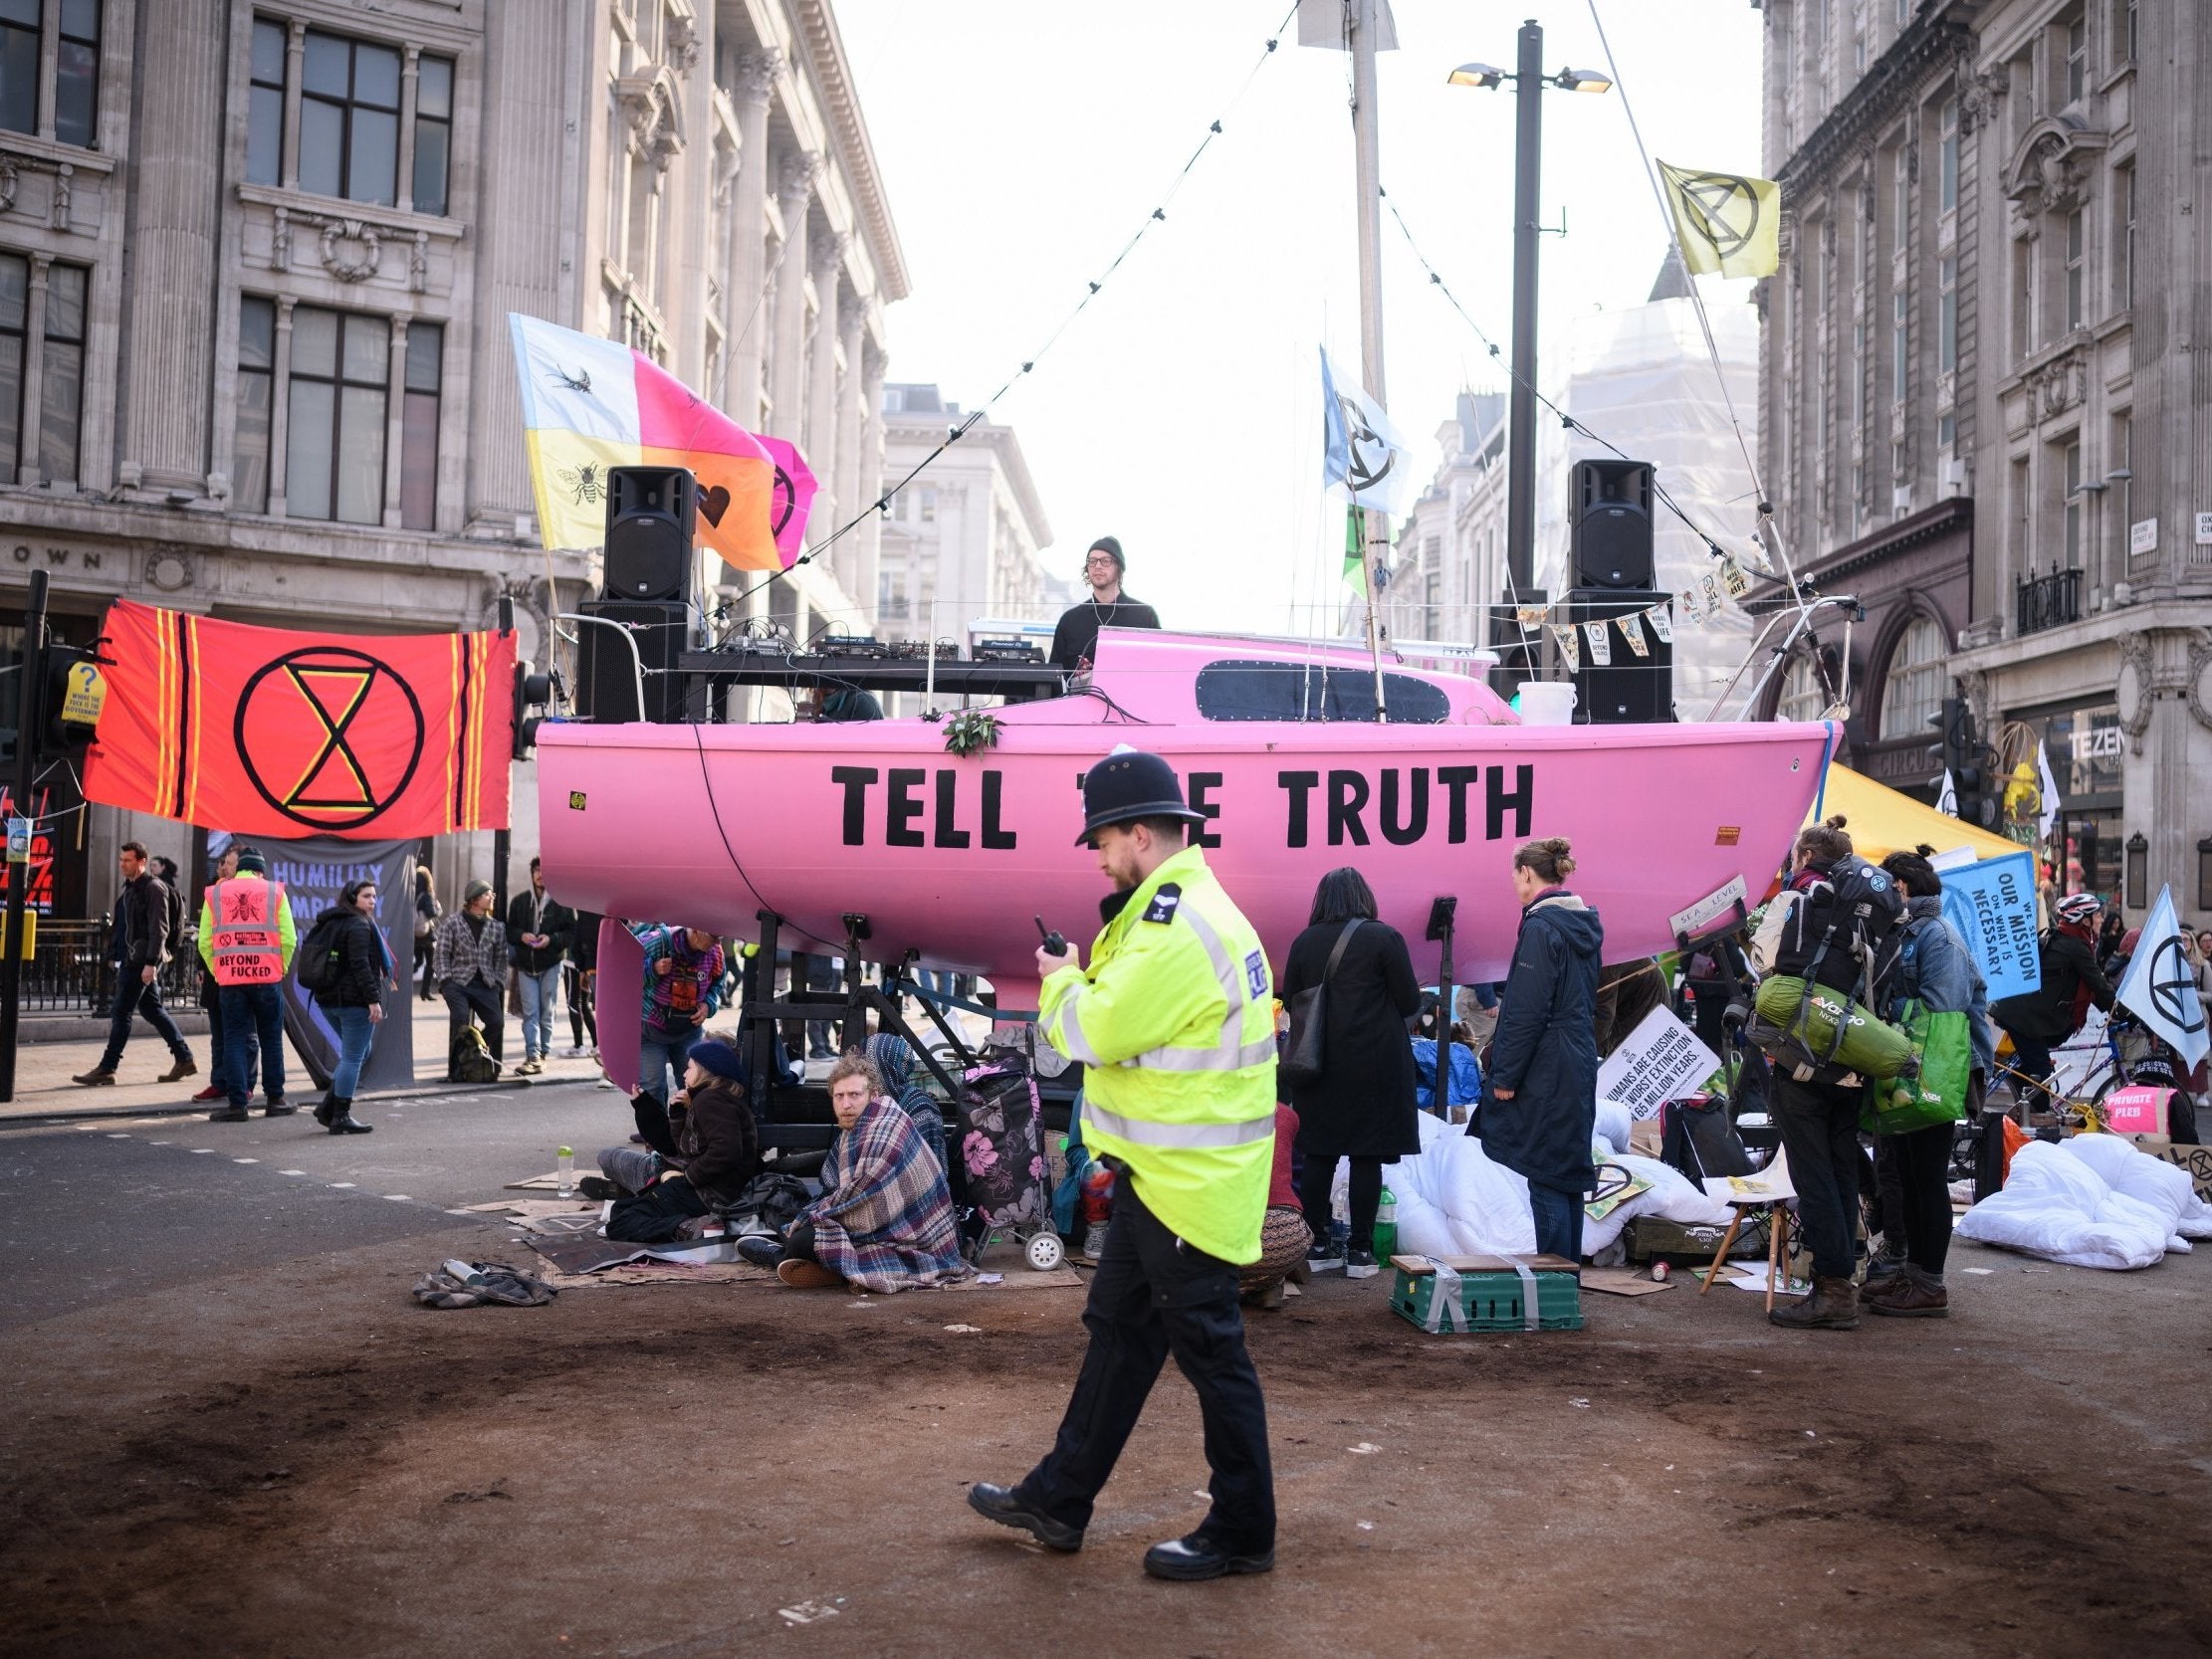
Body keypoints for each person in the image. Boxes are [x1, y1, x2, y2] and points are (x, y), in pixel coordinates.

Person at [968, 750, 1278, 1582]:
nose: (1099, 857)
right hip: (1170, 1179)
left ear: (1142, 833)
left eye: (1104, 841)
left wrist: (1060, 982)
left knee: (1210, 1355)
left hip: (1188, 1187)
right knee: (1120, 1340)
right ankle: (1058, 1499)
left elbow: (1096, 1033)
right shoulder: (1182, 911)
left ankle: (1244, 1528)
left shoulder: (1178, 926)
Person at [1748, 816, 1905, 1332]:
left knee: (1811, 1173)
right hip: (1852, 1053)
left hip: (1802, 1054)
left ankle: (1833, 1290)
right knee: (1840, 1169)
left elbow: (1765, 959)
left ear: (1803, 856)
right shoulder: (1871, 915)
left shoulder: (1800, 898)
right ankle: (1845, 1279)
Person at [1279, 866, 1421, 1278]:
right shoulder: (1384, 938)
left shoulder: (1304, 942)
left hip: (1317, 1063)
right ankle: (1360, 1252)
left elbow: (1290, 1000)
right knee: (1365, 1158)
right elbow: (1409, 999)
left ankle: (1318, 1244)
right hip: (1374, 1066)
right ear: (1364, 897)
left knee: (1319, 1154)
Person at [1863, 849, 1983, 1318]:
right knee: (1907, 1178)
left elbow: (1944, 1017)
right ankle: (1913, 1274)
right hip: (1904, 1071)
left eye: (1886, 888)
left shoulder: (1938, 937)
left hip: (1933, 1074)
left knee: (1927, 1179)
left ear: (1903, 889)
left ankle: (1930, 1283)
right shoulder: (1902, 934)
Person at [737, 1052, 968, 1290]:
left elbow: (865, 1206)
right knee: (798, 1218)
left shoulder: (885, 1129)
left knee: (802, 1238)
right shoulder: (859, 1126)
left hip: (914, 1239)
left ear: (873, 1095)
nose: (846, 1104)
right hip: (884, 1225)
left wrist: (815, 1217)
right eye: (839, 1096)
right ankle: (818, 1262)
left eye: (855, 1095)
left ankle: (782, 1257)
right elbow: (850, 1195)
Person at [1478, 837, 1605, 1265]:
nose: (1513, 883)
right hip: (1578, 1056)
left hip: (1547, 1063)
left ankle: (1554, 1282)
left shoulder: (1540, 926)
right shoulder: (1582, 923)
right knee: (1565, 1171)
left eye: (1514, 875)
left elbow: (1525, 1011)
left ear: (1527, 874)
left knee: (1545, 1172)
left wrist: (1506, 1077)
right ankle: (1564, 1282)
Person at [597, 1040, 762, 1237]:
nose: (684, 1073)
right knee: (620, 1211)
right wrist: (673, 1111)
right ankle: (686, 1222)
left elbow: (726, 1150)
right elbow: (680, 1147)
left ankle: (685, 1228)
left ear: (704, 1071)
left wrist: (688, 1178)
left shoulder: (711, 1099)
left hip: (707, 1192)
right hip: (705, 1187)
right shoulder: (711, 1098)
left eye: (689, 1068)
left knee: (619, 1225)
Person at [74, 842, 198, 1088]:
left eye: (128, 860)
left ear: (141, 861)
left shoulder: (153, 889)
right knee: (152, 1009)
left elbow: (158, 929)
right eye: (121, 860)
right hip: (131, 959)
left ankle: (108, 1068)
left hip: (141, 961)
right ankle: (184, 1058)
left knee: (121, 1012)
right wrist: (113, 953)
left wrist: (151, 963)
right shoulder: (130, 890)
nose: (122, 864)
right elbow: (123, 928)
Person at [1990, 892, 2115, 1116]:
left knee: (2034, 1070)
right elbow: (2098, 985)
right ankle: (2036, 1127)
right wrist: (2125, 1012)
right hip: (2025, 1019)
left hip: (2024, 1015)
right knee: (2041, 1073)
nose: (2101, 920)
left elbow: (2092, 989)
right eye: (2097, 915)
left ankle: (2023, 1110)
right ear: (2084, 920)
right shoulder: (2076, 946)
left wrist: (2115, 1009)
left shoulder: (2068, 940)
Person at [196, 846, 296, 1122]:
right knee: (271, 1039)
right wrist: (280, 968)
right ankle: (275, 1099)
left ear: (239, 867)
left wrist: (220, 971)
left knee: (234, 1040)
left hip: (231, 980)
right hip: (267, 979)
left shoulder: (215, 893)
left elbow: (205, 941)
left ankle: (237, 1104)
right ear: (260, 870)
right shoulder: (275, 892)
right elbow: (289, 939)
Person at [302, 877, 389, 1135]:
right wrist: (373, 1000)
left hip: (328, 1000)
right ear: (352, 898)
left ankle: (328, 1107)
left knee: (361, 1051)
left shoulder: (332, 921)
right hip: (353, 1002)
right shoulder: (359, 925)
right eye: (366, 896)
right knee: (353, 1057)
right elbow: (362, 966)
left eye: (374, 896)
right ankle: (341, 1115)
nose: (372, 901)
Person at [1047, 536, 1162, 672]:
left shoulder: (1144, 615)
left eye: (1105, 561)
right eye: (1092, 561)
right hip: (1080, 693)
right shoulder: (1070, 620)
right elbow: (1054, 677)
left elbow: (1158, 667)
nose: (1098, 566)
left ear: (1119, 568)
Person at [638, 925, 725, 1103]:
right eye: (713, 935)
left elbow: (718, 984)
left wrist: (708, 1005)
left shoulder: (715, 953)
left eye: (720, 937)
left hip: (689, 1030)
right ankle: (656, 1130)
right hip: (651, 1029)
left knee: (695, 1084)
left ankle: (687, 1128)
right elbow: (623, 973)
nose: (717, 941)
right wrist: (652, 969)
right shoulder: (657, 942)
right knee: (652, 1086)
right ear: (695, 928)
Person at [432, 879, 510, 1076]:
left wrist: (498, 982)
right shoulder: (453, 922)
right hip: (458, 982)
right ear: (474, 899)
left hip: (486, 983)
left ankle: (472, 1053)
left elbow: (501, 958)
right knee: (460, 1019)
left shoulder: (496, 927)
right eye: (487, 894)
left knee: (496, 1022)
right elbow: (441, 953)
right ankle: (456, 1071)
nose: (492, 897)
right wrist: (446, 980)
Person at [191, 843, 249, 1105]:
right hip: (218, 975)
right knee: (220, 1035)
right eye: (224, 862)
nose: (224, 867)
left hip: (242, 973)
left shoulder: (253, 894)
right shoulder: (214, 893)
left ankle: (244, 1083)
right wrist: (203, 968)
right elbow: (205, 937)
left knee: (245, 1035)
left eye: (230, 863)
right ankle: (220, 1082)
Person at [506, 857, 575, 1076]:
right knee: (531, 1012)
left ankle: (543, 1052)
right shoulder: (520, 901)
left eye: (544, 871)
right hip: (526, 965)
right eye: (537, 870)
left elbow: (570, 933)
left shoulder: (561, 902)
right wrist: (522, 936)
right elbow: (510, 930)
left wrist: (551, 939)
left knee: (547, 1011)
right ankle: (532, 1054)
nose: (540, 875)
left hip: (551, 964)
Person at [1240, 1102, 1311, 1312]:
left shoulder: (1216, 1110)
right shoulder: (1289, 1115)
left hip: (1237, 1230)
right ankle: (1270, 1286)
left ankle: (1241, 1287)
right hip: (1288, 1232)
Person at [864, 1030, 948, 1172]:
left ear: (884, 1067)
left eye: (868, 1064)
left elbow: (920, 1170)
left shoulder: (919, 1105)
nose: (863, 1071)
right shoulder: (871, 1101)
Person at [566, 907, 601, 1058]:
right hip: (604, 964)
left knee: (600, 1010)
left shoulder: (584, 906)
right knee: (604, 1010)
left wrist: (581, 968)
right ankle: (603, 1049)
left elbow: (579, 938)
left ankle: (603, 1049)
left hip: (593, 965)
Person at [413, 867, 441, 1000]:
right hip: (426, 935)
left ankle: (402, 982)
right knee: (432, 962)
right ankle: (425, 990)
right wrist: (438, 909)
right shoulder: (427, 895)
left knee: (418, 961)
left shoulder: (411, 893)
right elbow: (431, 913)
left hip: (414, 933)